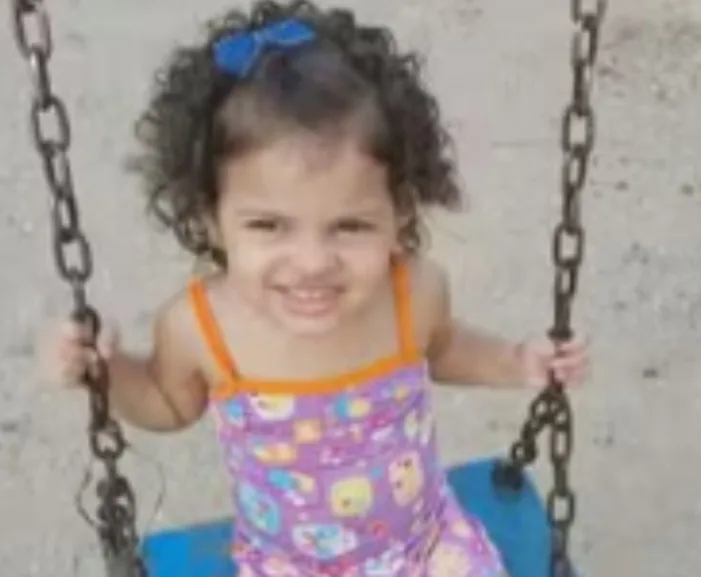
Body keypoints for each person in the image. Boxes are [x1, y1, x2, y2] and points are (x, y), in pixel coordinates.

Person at [40, 2, 589, 576]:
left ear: (400, 213)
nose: (311, 264)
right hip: (288, 565)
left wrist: (516, 363)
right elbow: (167, 402)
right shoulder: (200, 326)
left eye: (350, 226)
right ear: (211, 220)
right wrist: (104, 373)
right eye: (268, 225)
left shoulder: (413, 292)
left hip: (424, 547)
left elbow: (444, 347)